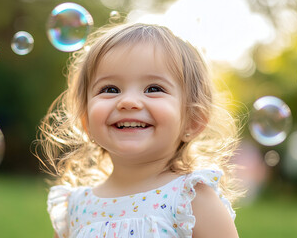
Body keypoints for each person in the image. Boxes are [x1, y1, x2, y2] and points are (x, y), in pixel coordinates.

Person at [35, 22, 243, 238]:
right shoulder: (76, 208)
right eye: (110, 89)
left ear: (193, 120)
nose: (128, 101)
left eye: (154, 89)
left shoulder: (190, 200)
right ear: (85, 120)